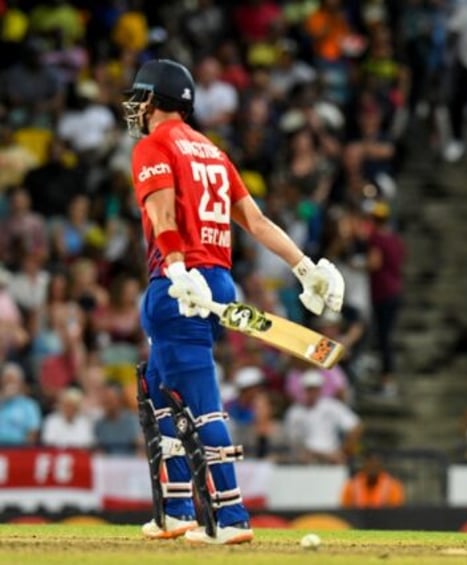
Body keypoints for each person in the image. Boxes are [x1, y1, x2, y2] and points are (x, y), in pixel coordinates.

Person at [123, 59, 344, 545]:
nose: (136, 107)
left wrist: (178, 268)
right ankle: (176, 510)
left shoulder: (153, 146)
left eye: (141, 97)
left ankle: (231, 516)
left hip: (179, 282)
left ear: (157, 101)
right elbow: (258, 222)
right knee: (160, 393)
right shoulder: (214, 152)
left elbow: (162, 213)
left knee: (199, 402)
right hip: (219, 283)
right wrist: (306, 266)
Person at [340, 451, 405, 508]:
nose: (373, 467)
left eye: (376, 463)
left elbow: (396, 510)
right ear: (364, 464)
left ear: (381, 465)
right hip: (358, 520)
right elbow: (345, 507)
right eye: (370, 463)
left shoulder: (392, 485)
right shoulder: (352, 485)